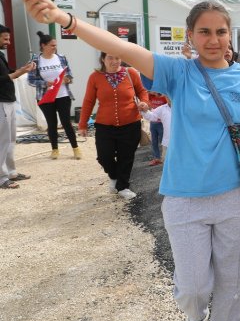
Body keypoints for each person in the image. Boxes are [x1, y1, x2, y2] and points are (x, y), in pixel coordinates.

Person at [24, 0, 240, 321]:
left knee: (231, 278)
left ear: (232, 36)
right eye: (204, 32)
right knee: (194, 284)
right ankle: (194, 319)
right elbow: (119, 46)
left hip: (236, 196)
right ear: (190, 37)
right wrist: (67, 20)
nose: (213, 39)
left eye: (221, 31)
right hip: (184, 198)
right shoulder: (179, 73)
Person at [78, 52, 149, 199]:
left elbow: (142, 91)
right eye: (110, 58)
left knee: (126, 157)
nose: (115, 61)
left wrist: (144, 102)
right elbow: (88, 101)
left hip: (130, 123)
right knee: (104, 156)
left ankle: (123, 186)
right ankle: (114, 176)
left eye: (117, 58)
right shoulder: (95, 77)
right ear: (103, 59)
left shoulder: (131, 73)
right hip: (104, 125)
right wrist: (83, 123)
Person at [27, 31, 81, 160]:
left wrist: (68, 78)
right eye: (52, 45)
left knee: (66, 122)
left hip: (63, 95)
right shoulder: (35, 60)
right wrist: (46, 83)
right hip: (46, 97)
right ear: (43, 45)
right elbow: (30, 80)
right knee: (52, 124)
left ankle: (76, 148)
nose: (54, 48)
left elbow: (69, 74)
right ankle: (55, 150)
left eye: (55, 45)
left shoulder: (61, 57)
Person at [0, 25, 35, 189]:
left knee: (11, 140)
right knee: (2, 141)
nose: (8, 42)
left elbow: (8, 73)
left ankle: (11, 172)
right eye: (5, 38)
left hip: (8, 101)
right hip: (1, 103)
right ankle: (1, 178)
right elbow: (4, 78)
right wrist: (20, 72)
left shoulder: (1, 55)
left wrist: (23, 69)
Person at [142, 95, 171, 164]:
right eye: (167, 95)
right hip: (168, 144)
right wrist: (144, 110)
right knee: (168, 165)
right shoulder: (162, 108)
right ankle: (157, 158)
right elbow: (151, 116)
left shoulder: (184, 107)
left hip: (183, 143)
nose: (170, 97)